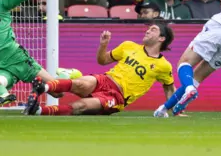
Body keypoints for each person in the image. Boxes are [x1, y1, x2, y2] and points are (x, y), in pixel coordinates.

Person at [23, 26, 175, 116]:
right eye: (149, 28)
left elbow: (169, 87)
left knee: (81, 106)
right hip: (106, 79)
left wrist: (174, 109)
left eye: (153, 30)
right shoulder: (129, 46)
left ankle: (37, 111)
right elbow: (102, 61)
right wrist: (103, 45)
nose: (148, 31)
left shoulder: (163, 66)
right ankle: (41, 87)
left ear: (162, 38)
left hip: (118, 97)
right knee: (82, 83)